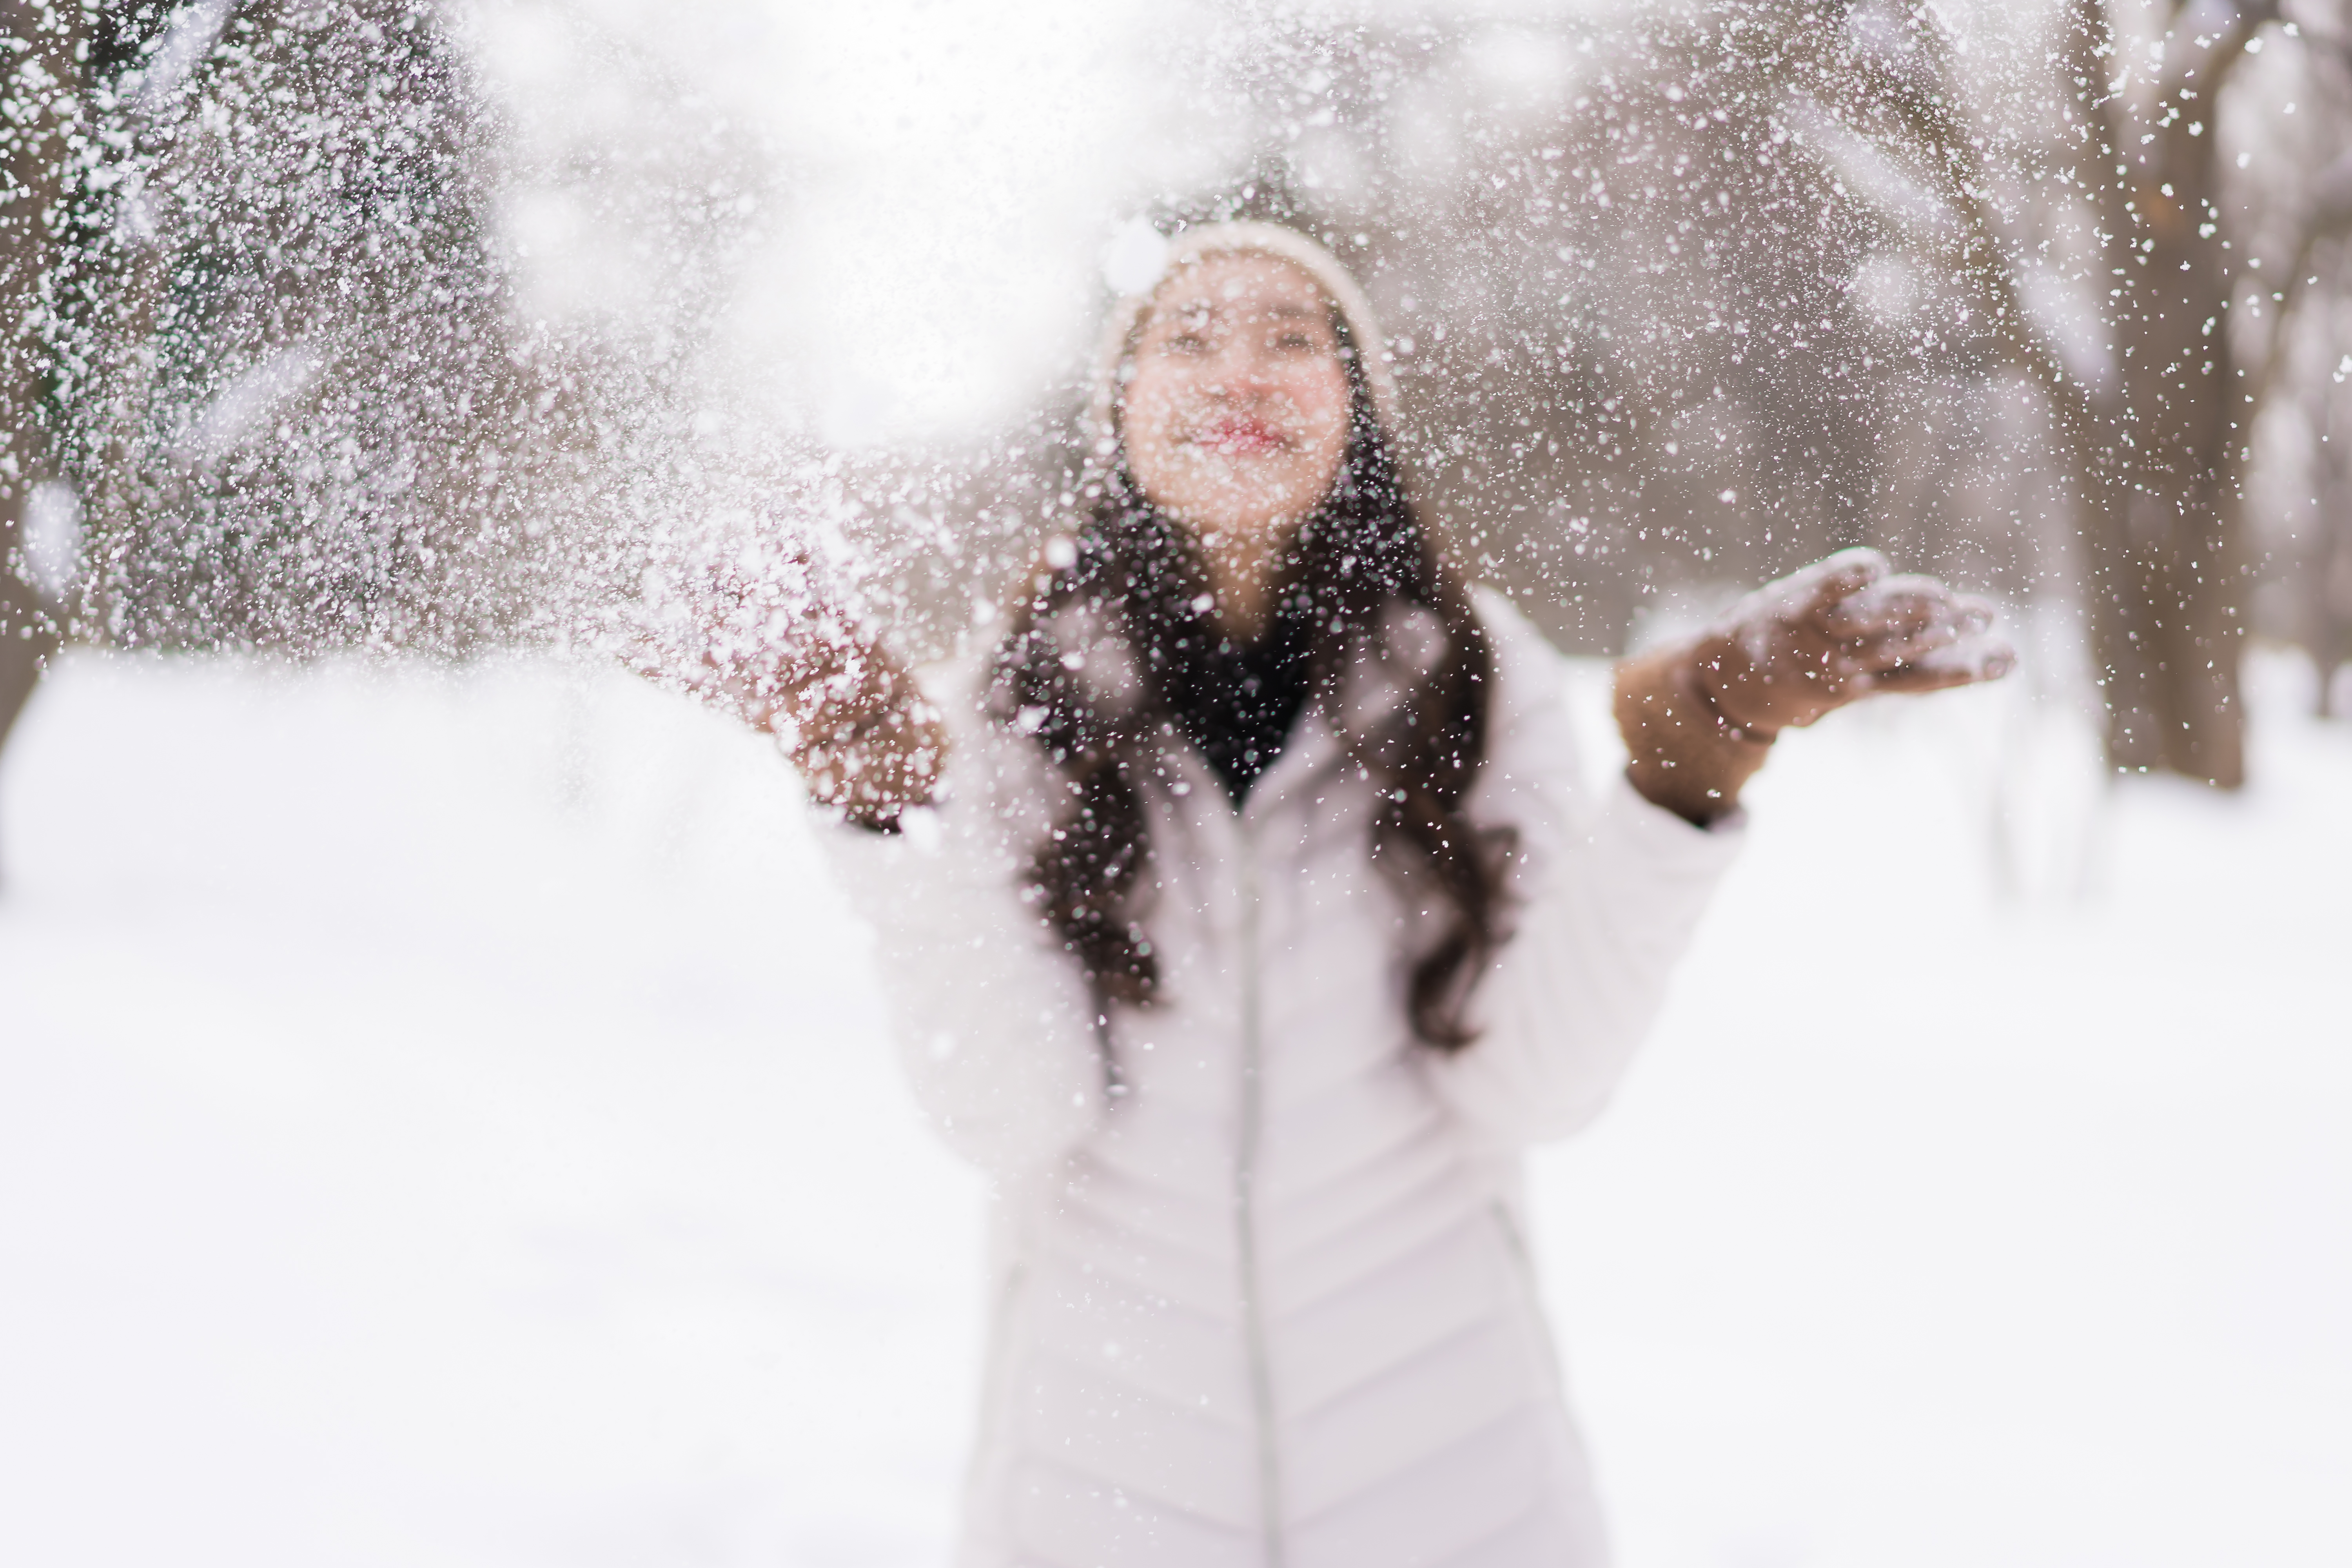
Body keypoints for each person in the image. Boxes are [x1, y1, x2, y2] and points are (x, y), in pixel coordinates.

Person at [666, 221, 2011, 1568]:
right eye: (1184, 339)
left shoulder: (1479, 676)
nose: (1237, 368)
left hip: (1461, 1502)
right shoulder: (1018, 706)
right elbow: (1010, 1113)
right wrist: (889, 802)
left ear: (1356, 412)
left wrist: (1691, 762)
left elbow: (1532, 1087)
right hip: (1096, 1506)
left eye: (1292, 338)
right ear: (1118, 414)